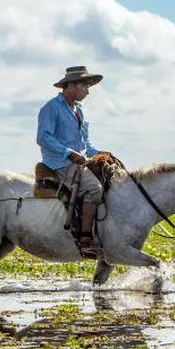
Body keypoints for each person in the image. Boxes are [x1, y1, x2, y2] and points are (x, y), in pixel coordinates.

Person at [36, 65, 105, 258]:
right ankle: (85, 240)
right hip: (59, 162)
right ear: (71, 85)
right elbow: (43, 137)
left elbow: (85, 145)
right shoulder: (51, 108)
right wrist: (69, 152)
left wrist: (100, 153)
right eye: (85, 86)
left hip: (78, 162)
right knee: (94, 189)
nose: (88, 91)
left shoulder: (79, 110)